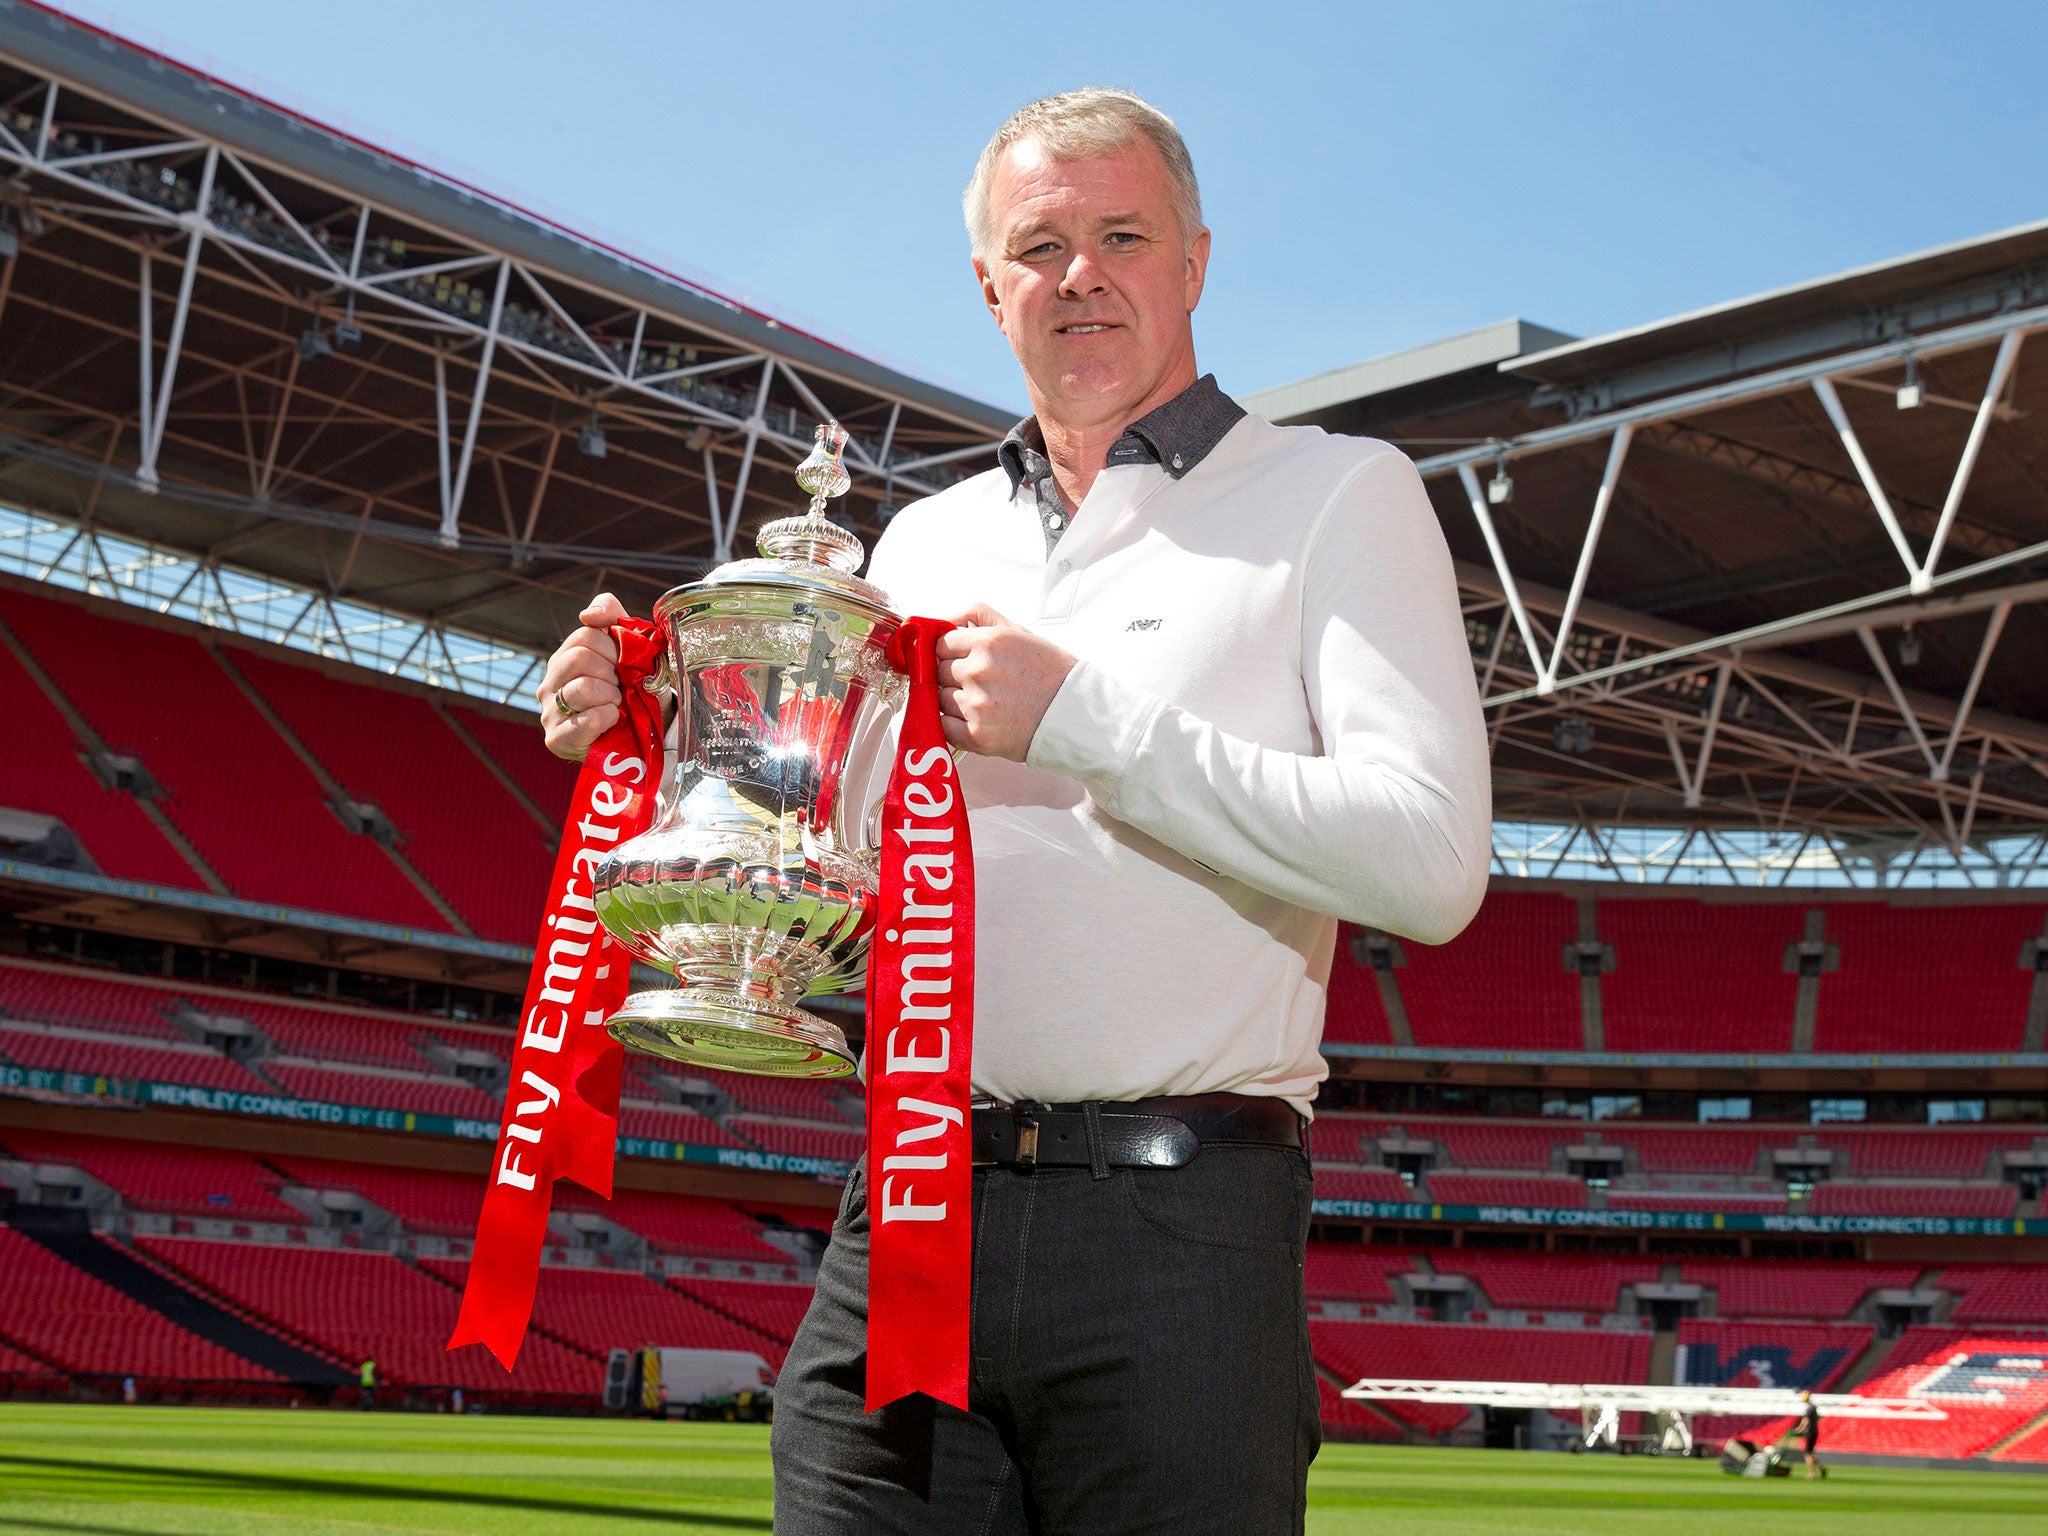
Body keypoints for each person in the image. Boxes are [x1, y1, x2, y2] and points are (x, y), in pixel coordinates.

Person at [538, 87, 1489, 1534]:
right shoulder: (919, 543)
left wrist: (1087, 721)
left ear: (1197, 261)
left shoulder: (1338, 495)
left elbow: (1428, 865)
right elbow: (835, 852)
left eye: (1123, 234)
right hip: (910, 1203)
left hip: (1181, 1234)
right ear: (990, 287)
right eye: (1040, 246)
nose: (1081, 275)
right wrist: (673, 731)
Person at [1793, 1390, 1825, 1479]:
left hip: (1810, 1432)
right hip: (1814, 1431)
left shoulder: (1809, 1408)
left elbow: (1805, 1420)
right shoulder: (1814, 1407)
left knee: (1807, 1454)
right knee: (1810, 1453)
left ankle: (1812, 1474)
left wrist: (1799, 1429)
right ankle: (1821, 1467)